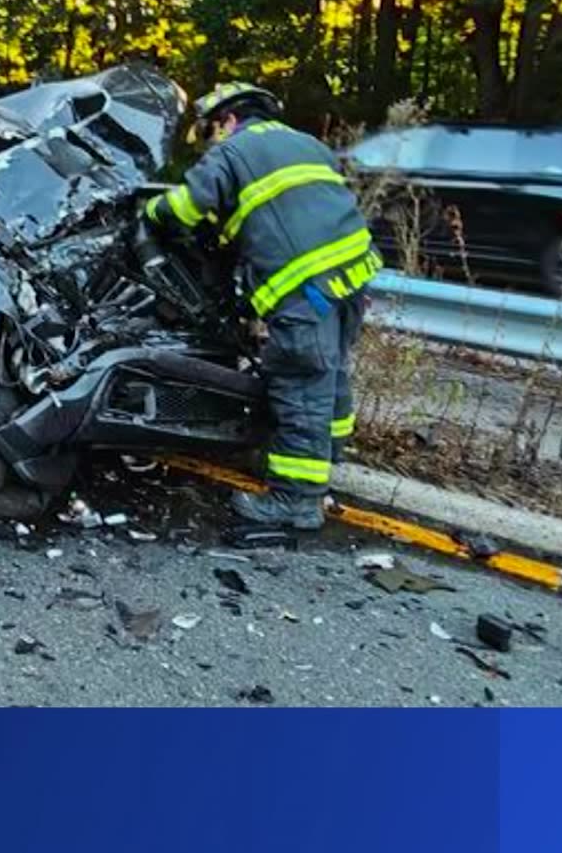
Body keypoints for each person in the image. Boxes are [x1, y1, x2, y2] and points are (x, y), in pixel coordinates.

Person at [139, 82, 381, 528]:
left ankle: (296, 499)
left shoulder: (234, 151)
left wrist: (149, 212)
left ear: (228, 120)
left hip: (306, 285)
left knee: (299, 382)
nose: (208, 144)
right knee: (329, 372)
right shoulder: (306, 143)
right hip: (352, 273)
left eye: (208, 132)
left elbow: (187, 206)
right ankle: (327, 456)